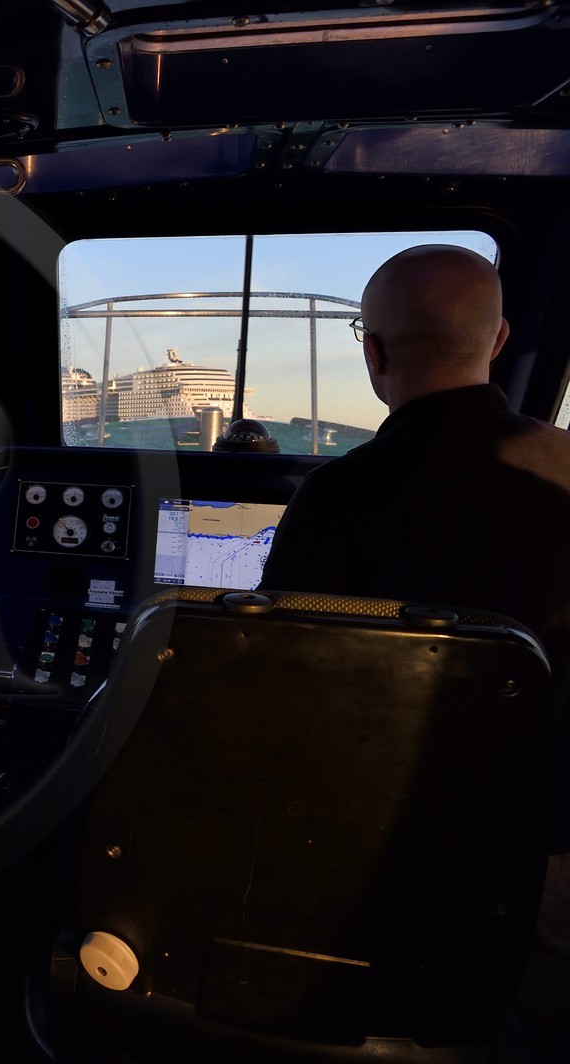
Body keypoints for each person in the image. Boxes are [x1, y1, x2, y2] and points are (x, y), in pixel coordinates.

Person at [259, 245, 570, 1055]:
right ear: (499, 339)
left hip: (382, 856)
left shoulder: (335, 500)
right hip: (552, 856)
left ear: (372, 350)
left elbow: (285, 692)